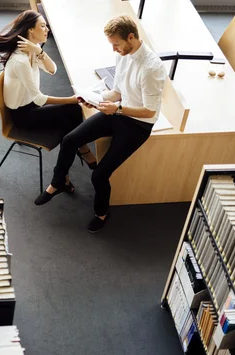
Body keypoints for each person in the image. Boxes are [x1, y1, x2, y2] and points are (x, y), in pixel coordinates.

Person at [34, 14, 166, 234]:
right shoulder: (124, 55)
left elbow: (150, 111)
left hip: (138, 124)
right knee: (70, 140)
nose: (114, 49)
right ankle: (58, 183)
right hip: (120, 111)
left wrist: (119, 109)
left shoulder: (152, 69)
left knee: (100, 174)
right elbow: (118, 92)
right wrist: (95, 99)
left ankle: (102, 213)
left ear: (131, 37)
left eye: (116, 44)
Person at [0, 10, 97, 193]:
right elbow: (39, 98)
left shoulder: (29, 51)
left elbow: (52, 70)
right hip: (23, 115)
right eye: (42, 26)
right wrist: (71, 99)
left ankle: (64, 174)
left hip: (31, 106)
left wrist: (38, 51)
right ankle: (76, 157)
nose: (47, 29)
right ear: (30, 30)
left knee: (71, 118)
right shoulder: (20, 60)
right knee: (73, 112)